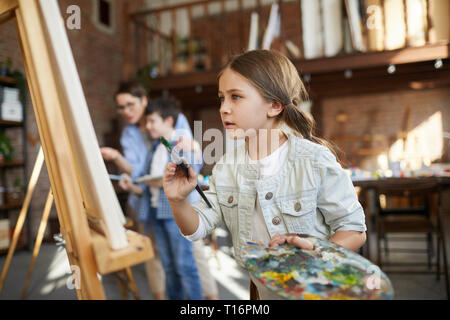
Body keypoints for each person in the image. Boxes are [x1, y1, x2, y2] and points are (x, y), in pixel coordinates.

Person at [162, 50, 367, 299]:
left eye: (235, 97)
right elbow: (198, 228)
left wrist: (316, 250)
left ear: (274, 106)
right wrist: (177, 200)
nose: (224, 108)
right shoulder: (226, 167)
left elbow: (354, 230)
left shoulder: (314, 160)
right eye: (221, 98)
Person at [119, 96, 203, 300]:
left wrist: (193, 148)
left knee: (184, 266)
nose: (148, 127)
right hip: (157, 213)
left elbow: (193, 171)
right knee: (168, 267)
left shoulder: (182, 145)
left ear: (168, 121)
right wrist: (132, 186)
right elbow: (147, 187)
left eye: (152, 121)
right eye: (146, 122)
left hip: (177, 214)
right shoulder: (156, 147)